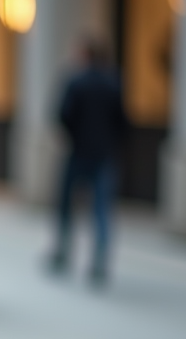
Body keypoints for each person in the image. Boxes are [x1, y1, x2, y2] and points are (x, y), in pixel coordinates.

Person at [47, 38, 129, 288]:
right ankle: (100, 260)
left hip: (79, 151)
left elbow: (62, 115)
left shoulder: (76, 81)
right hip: (103, 154)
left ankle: (63, 250)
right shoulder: (112, 83)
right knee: (101, 209)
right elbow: (123, 121)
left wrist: (73, 136)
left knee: (65, 204)